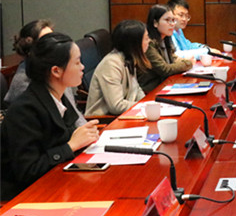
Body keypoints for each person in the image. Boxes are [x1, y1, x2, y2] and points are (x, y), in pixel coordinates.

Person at [1, 32, 99, 200]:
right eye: (77, 62)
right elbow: (28, 171)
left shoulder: (58, 97)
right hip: (24, 196)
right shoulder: (25, 110)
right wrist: (71, 146)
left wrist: (85, 137)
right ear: (56, 71)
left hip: (57, 181)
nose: (82, 67)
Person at [3, 21, 84, 128]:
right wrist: (74, 138)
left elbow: (72, 114)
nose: (55, 43)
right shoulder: (24, 85)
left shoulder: (60, 74)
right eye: (47, 40)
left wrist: (87, 131)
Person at [85, 20, 150, 116]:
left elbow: (136, 89)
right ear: (135, 43)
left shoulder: (129, 58)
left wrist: (147, 103)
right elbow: (116, 106)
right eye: (146, 38)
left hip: (125, 114)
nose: (149, 41)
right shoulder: (111, 64)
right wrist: (144, 106)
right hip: (105, 120)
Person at [137, 4, 194, 93]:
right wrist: (188, 63)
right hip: (151, 91)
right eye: (167, 20)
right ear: (155, 23)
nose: (172, 24)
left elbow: (173, 58)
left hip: (166, 86)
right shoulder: (149, 44)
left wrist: (184, 62)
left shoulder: (165, 39)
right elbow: (165, 69)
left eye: (173, 20)